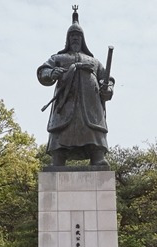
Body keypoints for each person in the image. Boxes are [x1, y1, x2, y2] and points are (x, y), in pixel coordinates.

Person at [37, 6, 114, 166]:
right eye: (72, 35)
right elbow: (43, 71)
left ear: (83, 39)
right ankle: (58, 157)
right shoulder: (59, 58)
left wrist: (107, 88)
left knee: (92, 130)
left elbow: (107, 78)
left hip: (90, 103)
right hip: (66, 102)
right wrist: (51, 74)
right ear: (67, 38)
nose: (75, 38)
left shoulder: (93, 61)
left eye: (78, 35)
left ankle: (97, 156)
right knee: (62, 131)